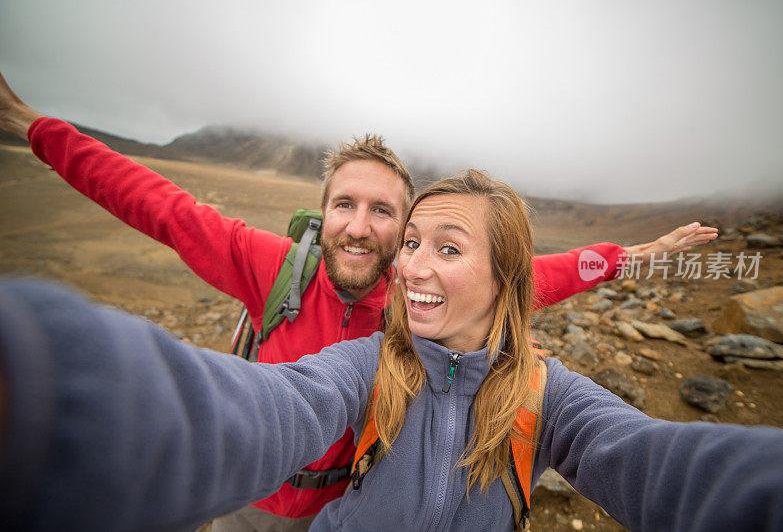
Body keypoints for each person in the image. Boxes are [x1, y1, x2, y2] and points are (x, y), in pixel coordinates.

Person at [0, 72, 720, 529]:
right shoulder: (273, 266)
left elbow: (552, 270)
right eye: (345, 202)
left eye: (384, 211)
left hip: (338, 510)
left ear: (405, 228)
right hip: (245, 501)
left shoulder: (417, 297)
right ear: (323, 211)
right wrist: (41, 129)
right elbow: (158, 204)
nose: (361, 224)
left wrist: (642, 255)